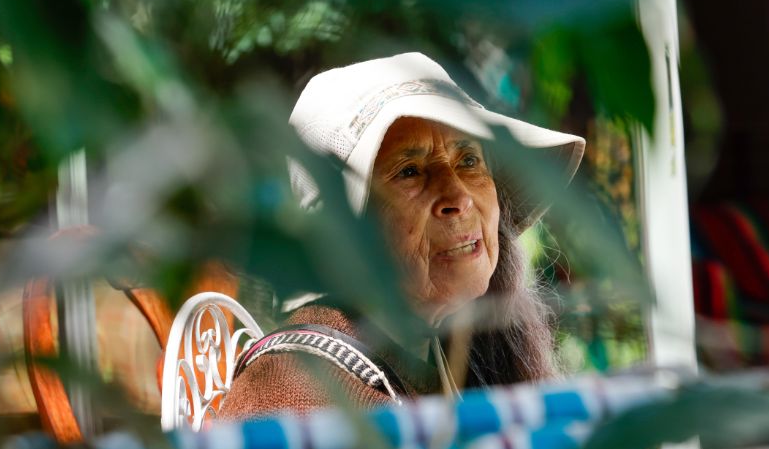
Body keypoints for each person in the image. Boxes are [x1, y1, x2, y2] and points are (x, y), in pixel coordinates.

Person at [217, 52, 585, 420]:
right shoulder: (298, 396)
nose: (458, 198)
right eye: (410, 172)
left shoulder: (450, 351)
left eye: (469, 160)